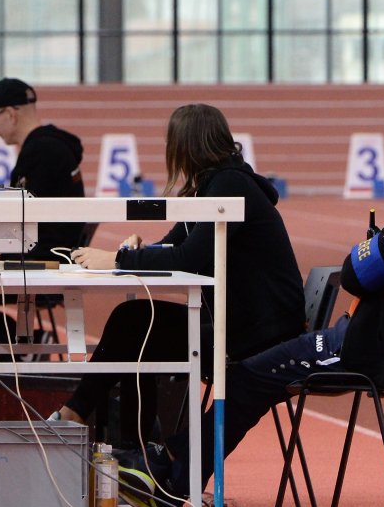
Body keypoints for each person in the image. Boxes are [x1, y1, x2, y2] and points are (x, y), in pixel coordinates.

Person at [137, 99, 384, 507]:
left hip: (372, 349)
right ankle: (176, 469)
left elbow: (355, 274)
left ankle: (173, 472)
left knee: (246, 376)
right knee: (249, 370)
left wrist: (369, 248)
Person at [66, 104, 303, 456]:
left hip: (258, 335)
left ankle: (91, 425)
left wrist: (117, 259)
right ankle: (122, 444)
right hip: (242, 323)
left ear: (184, 146)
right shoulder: (213, 186)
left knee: (137, 327)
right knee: (136, 321)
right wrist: (141, 248)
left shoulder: (229, 186)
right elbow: (176, 245)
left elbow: (191, 259)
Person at [0, 78, 91, 344]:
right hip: (49, 252)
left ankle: (18, 346)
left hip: (43, 260)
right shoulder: (51, 147)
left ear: (10, 113)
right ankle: (17, 343)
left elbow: (23, 220)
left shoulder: (42, 152)